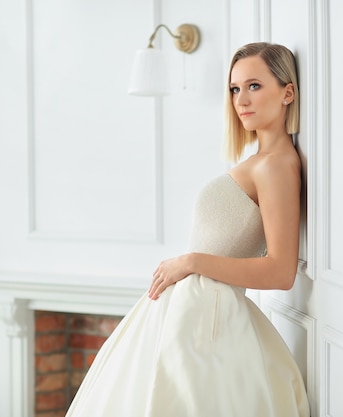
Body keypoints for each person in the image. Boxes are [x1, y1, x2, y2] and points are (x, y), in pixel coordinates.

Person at [65, 42, 310, 417]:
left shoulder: (276, 166)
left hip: (205, 324)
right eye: (234, 88)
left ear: (287, 92)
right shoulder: (259, 160)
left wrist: (191, 261)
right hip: (188, 314)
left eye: (254, 86)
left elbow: (280, 271)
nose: (241, 99)